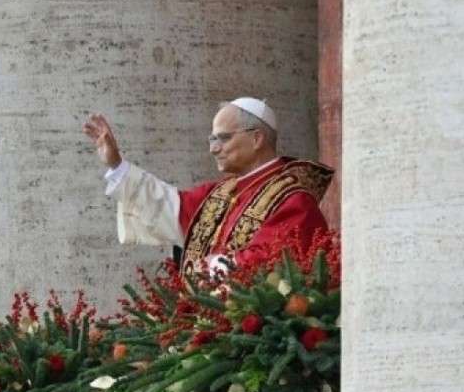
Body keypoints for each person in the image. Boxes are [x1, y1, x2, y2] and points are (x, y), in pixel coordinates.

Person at [83, 97, 334, 280]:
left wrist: (208, 268)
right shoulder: (219, 193)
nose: (213, 149)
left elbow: (274, 261)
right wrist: (117, 165)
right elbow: (167, 207)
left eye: (223, 138)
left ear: (256, 138)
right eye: (212, 139)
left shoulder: (294, 199)